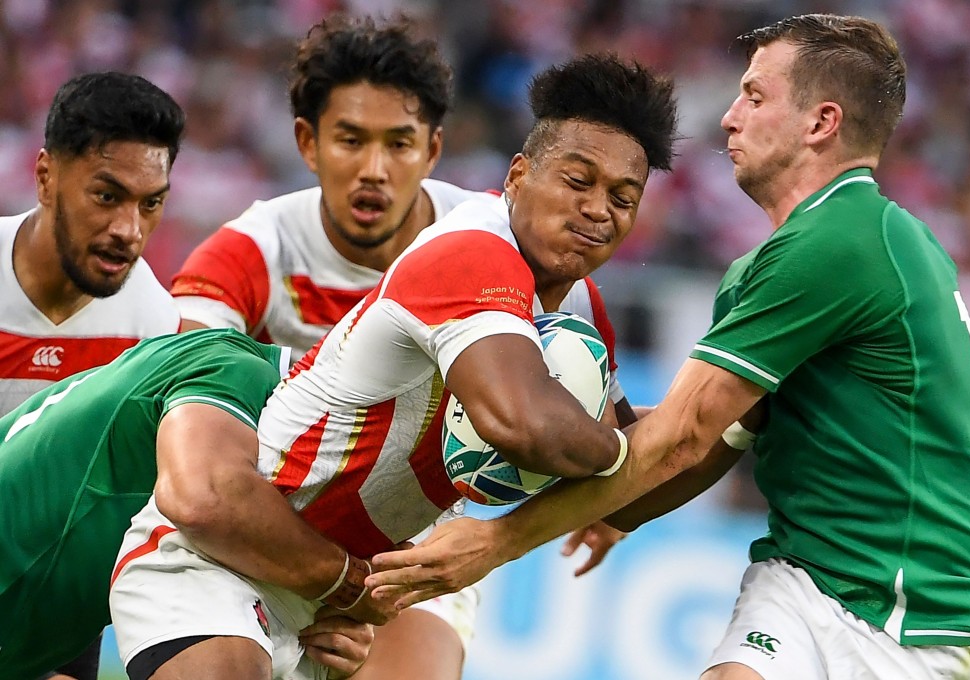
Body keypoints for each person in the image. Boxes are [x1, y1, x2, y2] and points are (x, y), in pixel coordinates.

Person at [365, 14, 970, 680]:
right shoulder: (766, 268)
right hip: (804, 574)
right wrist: (616, 505)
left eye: (756, 96)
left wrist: (496, 542)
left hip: (920, 613)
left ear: (821, 123)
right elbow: (703, 446)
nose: (729, 118)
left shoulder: (845, 241)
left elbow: (679, 438)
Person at [107, 52, 679, 680]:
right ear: (517, 176)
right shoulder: (465, 251)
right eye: (577, 181)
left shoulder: (578, 303)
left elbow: (629, 450)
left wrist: (736, 415)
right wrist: (628, 461)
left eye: (623, 198)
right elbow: (529, 425)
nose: (599, 210)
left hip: (362, 584)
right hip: (231, 550)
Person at [0, 329, 375, 680]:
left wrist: (322, 629)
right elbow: (202, 503)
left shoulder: (229, 373)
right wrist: (348, 585)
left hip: (46, 627)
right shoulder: (235, 372)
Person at [0, 71, 184, 680]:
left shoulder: (150, 323)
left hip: (57, 605)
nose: (129, 230)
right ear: (47, 176)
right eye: (107, 196)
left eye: (150, 203)